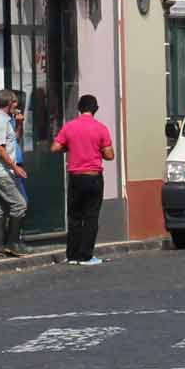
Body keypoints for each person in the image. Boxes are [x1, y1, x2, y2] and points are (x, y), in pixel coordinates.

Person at [52, 93, 115, 266]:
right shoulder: (101, 128)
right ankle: (86, 255)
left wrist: (69, 147)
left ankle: (72, 255)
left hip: (75, 177)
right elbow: (110, 155)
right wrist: (99, 151)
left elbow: (55, 147)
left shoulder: (69, 127)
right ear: (95, 109)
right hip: (93, 177)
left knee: (74, 216)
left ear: (79, 108)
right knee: (91, 216)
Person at [0, 87, 29, 256]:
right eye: (15, 102)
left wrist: (19, 123)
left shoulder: (5, 119)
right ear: (9, 103)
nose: (17, 105)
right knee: (20, 204)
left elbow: (14, 140)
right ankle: (12, 243)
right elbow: (0, 149)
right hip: (0, 171)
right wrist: (15, 167)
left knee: (0, 207)